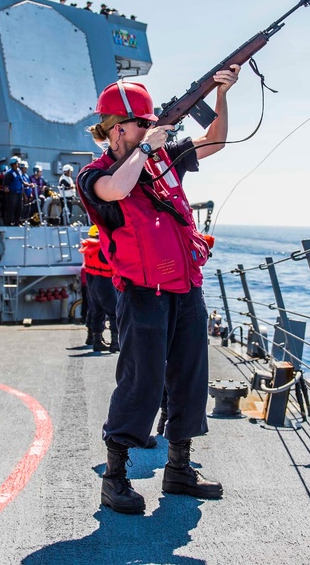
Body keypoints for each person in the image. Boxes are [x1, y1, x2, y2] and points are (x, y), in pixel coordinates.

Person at [77, 68, 239, 514]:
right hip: (142, 293)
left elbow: (216, 140)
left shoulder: (163, 160)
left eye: (153, 123)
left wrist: (222, 95)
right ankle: (115, 478)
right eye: (143, 124)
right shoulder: (94, 174)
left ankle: (179, 468)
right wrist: (149, 147)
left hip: (185, 288)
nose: (151, 129)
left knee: (190, 377)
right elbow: (116, 189)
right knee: (141, 382)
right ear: (117, 128)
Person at [80, 225, 116, 353]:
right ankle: (116, 343)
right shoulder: (103, 248)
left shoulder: (89, 248)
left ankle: (96, 341)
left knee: (96, 312)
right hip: (105, 282)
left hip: (92, 282)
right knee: (114, 313)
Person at [3, 157, 24, 225]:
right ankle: (8, 223)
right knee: (11, 208)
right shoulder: (9, 173)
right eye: (17, 163)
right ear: (14, 164)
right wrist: (6, 188)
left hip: (19, 193)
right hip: (12, 193)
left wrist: (29, 185)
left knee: (19, 208)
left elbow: (21, 181)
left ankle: (17, 222)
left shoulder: (19, 171)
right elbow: (5, 184)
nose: (18, 164)